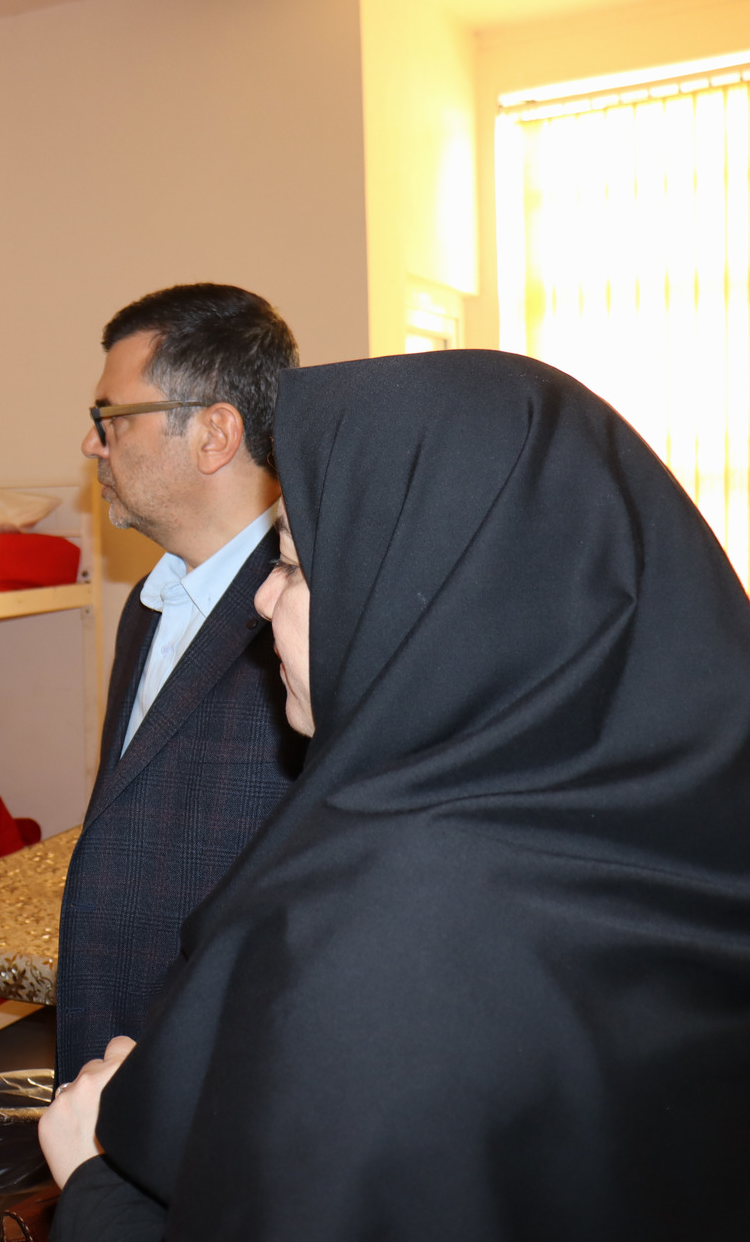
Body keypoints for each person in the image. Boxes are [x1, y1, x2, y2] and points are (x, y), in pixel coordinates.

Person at [40, 350, 750, 1239]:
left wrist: (96, 1183)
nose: (262, 601)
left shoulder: (386, 928)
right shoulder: (665, 831)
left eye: (294, 566)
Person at [56, 283, 308, 1082]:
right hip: (118, 1043)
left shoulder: (310, 614)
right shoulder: (151, 602)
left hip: (225, 1063)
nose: (93, 444)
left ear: (214, 433)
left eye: (111, 417)